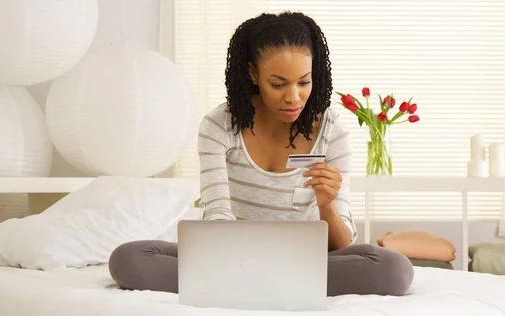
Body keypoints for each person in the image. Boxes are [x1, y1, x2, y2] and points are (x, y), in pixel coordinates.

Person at [108, 11, 414, 297]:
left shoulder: (333, 130)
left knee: (394, 269)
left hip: (308, 259)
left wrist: (327, 206)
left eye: (304, 82)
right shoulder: (219, 126)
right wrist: (241, 253)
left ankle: (238, 285)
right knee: (129, 259)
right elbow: (217, 212)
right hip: (232, 254)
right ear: (254, 73)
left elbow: (342, 244)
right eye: (278, 84)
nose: (294, 97)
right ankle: (277, 284)